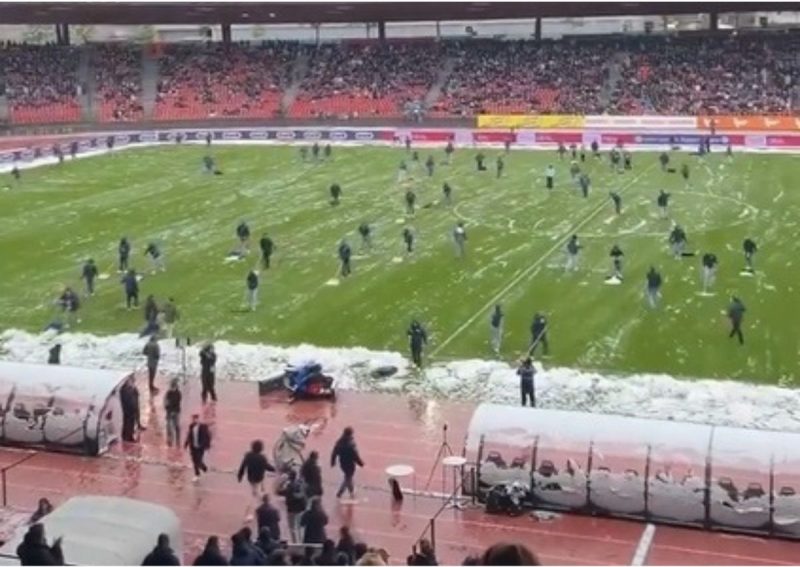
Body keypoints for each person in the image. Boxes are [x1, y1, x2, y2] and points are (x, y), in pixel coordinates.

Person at [331, 427, 364, 499]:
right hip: (350, 464)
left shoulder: (339, 442)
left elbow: (334, 453)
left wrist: (333, 462)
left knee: (348, 477)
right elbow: (355, 455)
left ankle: (351, 491)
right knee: (348, 478)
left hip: (342, 462)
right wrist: (361, 463)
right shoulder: (351, 444)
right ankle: (340, 492)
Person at [279, 468, 307, 543]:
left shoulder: (289, 487)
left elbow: (279, 491)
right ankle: (301, 541)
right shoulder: (300, 484)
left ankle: (295, 542)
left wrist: (282, 482)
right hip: (300, 509)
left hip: (291, 509)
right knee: (300, 526)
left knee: (292, 528)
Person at [185, 413, 211, 482]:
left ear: (198, 419)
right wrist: (186, 444)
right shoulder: (191, 426)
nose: (194, 421)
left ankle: (204, 467)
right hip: (193, 447)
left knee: (199, 461)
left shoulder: (203, 427)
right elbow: (189, 435)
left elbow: (207, 437)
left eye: (195, 419)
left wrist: (207, 446)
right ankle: (197, 474)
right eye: (193, 419)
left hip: (200, 447)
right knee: (194, 461)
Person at [119, 375, 139, 443]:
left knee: (131, 423)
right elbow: (126, 400)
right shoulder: (124, 389)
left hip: (132, 408)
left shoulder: (130, 389)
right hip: (128, 409)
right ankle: (127, 436)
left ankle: (128, 435)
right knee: (128, 423)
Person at [164, 378, 182, 448]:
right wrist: (169, 410)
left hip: (175, 411)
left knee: (176, 426)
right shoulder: (168, 393)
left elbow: (177, 403)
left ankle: (177, 439)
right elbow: (166, 403)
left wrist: (172, 410)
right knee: (169, 427)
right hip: (170, 412)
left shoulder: (178, 393)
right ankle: (170, 440)